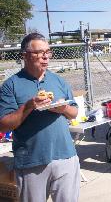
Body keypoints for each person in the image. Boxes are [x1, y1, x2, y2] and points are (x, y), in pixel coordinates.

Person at [0, 33, 81, 201]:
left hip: (66, 156)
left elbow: (74, 112)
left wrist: (63, 108)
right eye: (39, 52)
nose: (45, 56)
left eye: (48, 51)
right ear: (25, 56)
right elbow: (4, 125)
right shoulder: (11, 85)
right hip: (31, 162)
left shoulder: (58, 80)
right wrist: (28, 106)